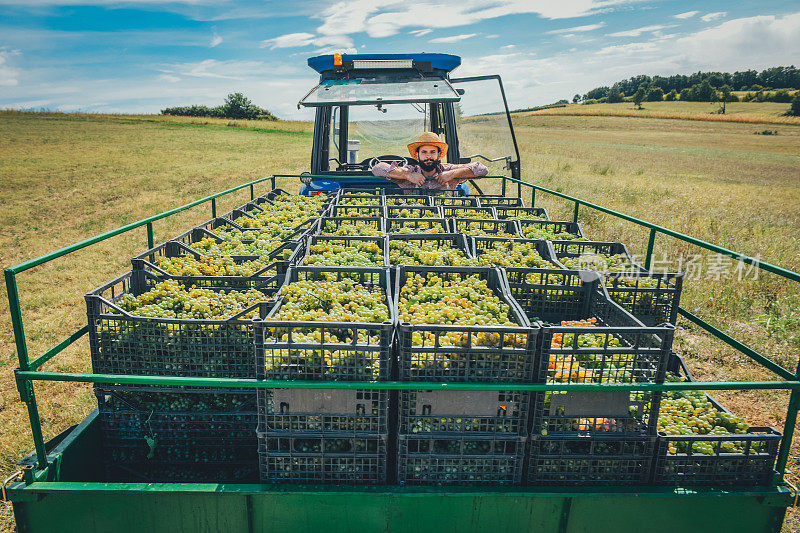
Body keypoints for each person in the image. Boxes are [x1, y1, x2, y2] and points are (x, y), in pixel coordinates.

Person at [371, 132, 488, 191]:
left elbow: (482, 169)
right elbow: (378, 168)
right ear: (417, 155)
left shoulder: (448, 169)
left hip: (446, 214)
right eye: (424, 152)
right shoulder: (410, 170)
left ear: (438, 155)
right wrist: (408, 175)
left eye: (432, 152)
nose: (428, 156)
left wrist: (453, 174)